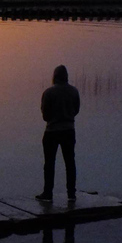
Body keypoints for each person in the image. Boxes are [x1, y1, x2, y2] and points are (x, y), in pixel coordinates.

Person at [36, 65, 80, 202]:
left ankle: (48, 193)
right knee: (70, 162)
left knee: (49, 163)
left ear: (54, 77)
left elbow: (45, 116)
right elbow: (76, 110)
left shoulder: (49, 92)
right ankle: (71, 193)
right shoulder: (74, 91)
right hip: (69, 130)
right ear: (66, 76)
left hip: (52, 132)